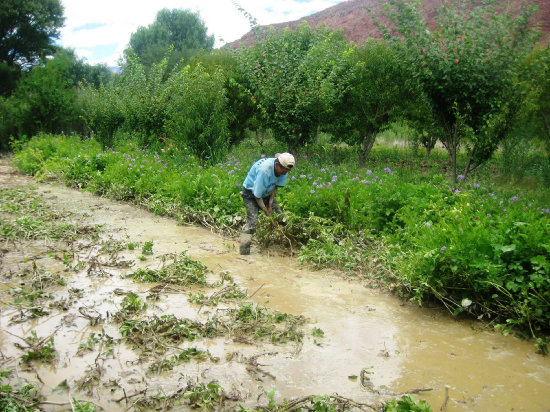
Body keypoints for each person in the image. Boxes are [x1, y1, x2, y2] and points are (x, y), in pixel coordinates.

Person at [239, 152, 295, 255]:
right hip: (251, 194)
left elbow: (274, 187)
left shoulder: (284, 170)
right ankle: (244, 252)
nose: (284, 173)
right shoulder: (265, 170)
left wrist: (270, 205)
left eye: (287, 171)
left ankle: (288, 246)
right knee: (252, 223)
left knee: (282, 218)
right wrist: (265, 210)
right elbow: (257, 195)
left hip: (267, 193)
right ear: (277, 165)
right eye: (283, 170)